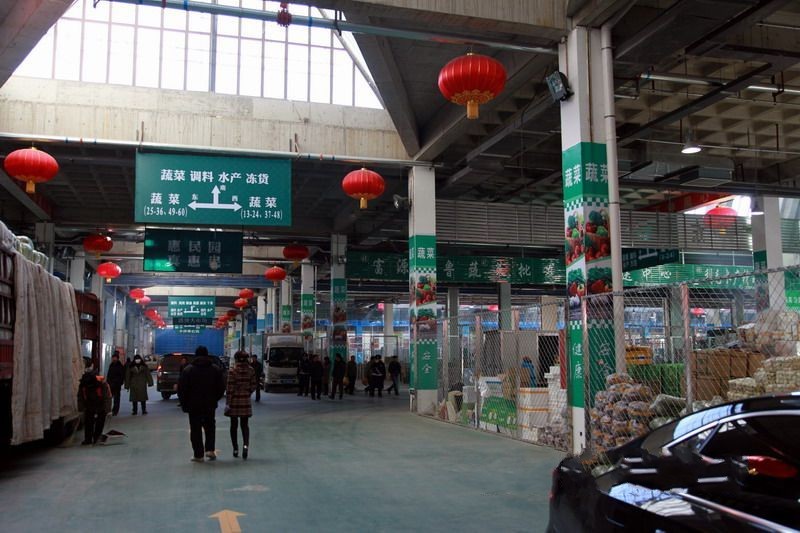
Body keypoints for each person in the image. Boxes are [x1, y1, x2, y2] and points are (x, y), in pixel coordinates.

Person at [178, 346, 225, 462]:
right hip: (209, 404)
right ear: (207, 355)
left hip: (193, 405)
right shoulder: (215, 369)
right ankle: (210, 450)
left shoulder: (188, 370)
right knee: (210, 426)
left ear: (196, 355)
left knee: (195, 429)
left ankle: (198, 455)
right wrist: (214, 398)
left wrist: (184, 404)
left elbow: (182, 389)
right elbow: (221, 387)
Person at [226, 351, 257, 459]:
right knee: (245, 425)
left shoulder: (232, 371)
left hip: (234, 401)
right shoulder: (251, 370)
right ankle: (245, 447)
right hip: (245, 401)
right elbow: (254, 385)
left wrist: (228, 403)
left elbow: (229, 388)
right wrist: (247, 392)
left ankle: (235, 448)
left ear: (236, 359)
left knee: (233, 426)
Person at [78, 358, 112, 445]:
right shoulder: (96, 380)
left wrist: (81, 408)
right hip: (97, 403)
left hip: (92, 404)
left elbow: (80, 396)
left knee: (89, 422)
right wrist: (108, 409)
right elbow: (107, 395)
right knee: (98, 422)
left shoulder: (84, 381)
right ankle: (95, 438)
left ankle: (89, 439)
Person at [106, 351, 125, 416]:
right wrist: (108, 382)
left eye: (115, 358)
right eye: (113, 358)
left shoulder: (120, 366)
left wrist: (119, 383)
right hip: (110, 384)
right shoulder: (111, 365)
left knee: (116, 398)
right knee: (109, 398)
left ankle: (115, 410)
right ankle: (109, 410)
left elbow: (121, 376)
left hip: (117, 385)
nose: (114, 359)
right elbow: (108, 374)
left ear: (117, 358)